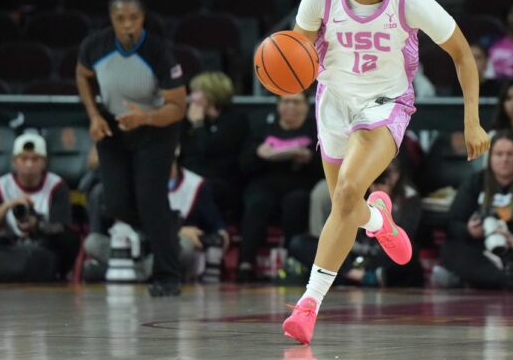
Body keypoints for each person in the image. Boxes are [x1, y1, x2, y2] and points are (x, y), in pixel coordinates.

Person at [281, 0, 489, 345]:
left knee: (345, 193)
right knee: (346, 206)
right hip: (333, 102)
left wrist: (472, 120)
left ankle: (308, 305)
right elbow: (296, 52)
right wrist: (283, 67)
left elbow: (462, 54)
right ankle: (378, 222)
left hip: (384, 104)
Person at [76, 0, 187, 297]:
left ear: (143, 18)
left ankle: (168, 276)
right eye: (120, 18)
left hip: (155, 128)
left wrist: (145, 118)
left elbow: (178, 107)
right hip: (113, 124)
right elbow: (82, 75)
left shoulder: (158, 52)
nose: (128, 25)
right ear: (111, 19)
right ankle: (168, 225)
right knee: (114, 202)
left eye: (134, 18)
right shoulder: (94, 46)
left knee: (151, 201)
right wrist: (94, 116)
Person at [438, 130, 513, 291]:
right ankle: (508, 280)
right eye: (499, 154)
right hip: (482, 247)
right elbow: (452, 221)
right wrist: (469, 231)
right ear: (490, 158)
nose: (504, 159)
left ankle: (471, 279)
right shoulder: (476, 182)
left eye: (510, 154)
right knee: (451, 249)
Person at [84, 152, 230, 282]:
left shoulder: (195, 185)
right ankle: (145, 273)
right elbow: (134, 222)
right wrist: (177, 230)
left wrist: (217, 238)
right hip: (139, 245)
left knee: (185, 247)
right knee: (92, 242)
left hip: (168, 249)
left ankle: (129, 273)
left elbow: (219, 228)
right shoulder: (137, 182)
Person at [288, 157, 424, 288]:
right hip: (352, 253)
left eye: (388, 172)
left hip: (381, 256)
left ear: (398, 173)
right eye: (379, 171)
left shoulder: (408, 197)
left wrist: (384, 199)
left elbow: (406, 232)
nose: (383, 177)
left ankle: (362, 276)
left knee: (409, 252)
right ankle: (358, 276)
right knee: (300, 243)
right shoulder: (359, 187)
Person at [236, 91, 321, 282]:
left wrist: (309, 158)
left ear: (306, 106)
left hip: (300, 184)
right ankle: (245, 263)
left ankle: (293, 261)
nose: (291, 107)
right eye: (286, 102)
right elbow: (243, 165)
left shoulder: (315, 130)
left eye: (296, 102)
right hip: (266, 183)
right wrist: (258, 154)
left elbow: (326, 167)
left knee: (295, 202)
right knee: (257, 202)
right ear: (278, 105)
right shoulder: (262, 127)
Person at [0, 133, 80, 280]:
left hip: (43, 245)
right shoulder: (1, 185)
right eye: (24, 159)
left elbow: (61, 227)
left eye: (35, 159)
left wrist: (36, 225)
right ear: (14, 161)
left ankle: (57, 273)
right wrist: (8, 205)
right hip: (8, 244)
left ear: (44, 162)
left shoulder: (56, 185)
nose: (29, 165)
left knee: (69, 239)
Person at [180, 71, 249, 223]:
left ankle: (216, 230)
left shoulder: (235, 119)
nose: (191, 97)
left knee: (199, 190)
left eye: (196, 92)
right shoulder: (188, 119)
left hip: (222, 179)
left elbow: (210, 149)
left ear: (211, 94)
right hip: (191, 176)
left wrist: (198, 125)